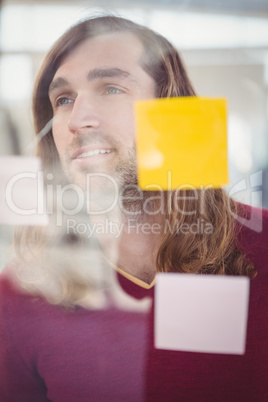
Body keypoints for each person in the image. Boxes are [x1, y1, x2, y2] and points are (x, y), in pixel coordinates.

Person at [0, 15, 267, 402]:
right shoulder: (22, 288)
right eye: (63, 99)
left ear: (171, 112)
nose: (77, 120)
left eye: (110, 88)